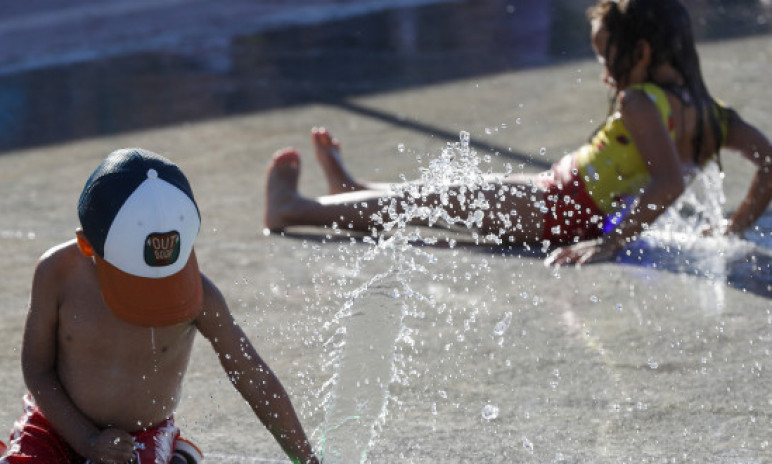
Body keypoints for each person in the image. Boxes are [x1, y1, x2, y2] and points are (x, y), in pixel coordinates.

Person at [0, 148, 356, 464]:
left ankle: (171, 458)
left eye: (166, 275)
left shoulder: (199, 293)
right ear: (88, 246)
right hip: (59, 421)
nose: (157, 290)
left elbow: (251, 374)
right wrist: (85, 440)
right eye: (135, 280)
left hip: (139, 431)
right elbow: (36, 368)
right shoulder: (57, 272)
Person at [264, 0, 772, 266]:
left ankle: (293, 210)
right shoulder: (713, 115)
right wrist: (734, 228)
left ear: (640, 52)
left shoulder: (641, 102)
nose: (604, 73)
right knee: (434, 199)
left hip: (553, 208)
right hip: (557, 201)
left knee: (427, 206)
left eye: (606, 57)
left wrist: (611, 244)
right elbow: (769, 161)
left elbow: (667, 182)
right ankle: (351, 194)